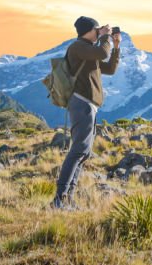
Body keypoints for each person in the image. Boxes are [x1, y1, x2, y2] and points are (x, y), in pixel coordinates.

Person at [52, 16, 121, 209]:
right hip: (81, 103)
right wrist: (105, 37)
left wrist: (115, 46)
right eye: (96, 29)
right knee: (78, 150)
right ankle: (59, 198)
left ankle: (68, 198)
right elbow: (100, 53)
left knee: (84, 152)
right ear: (89, 31)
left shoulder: (89, 51)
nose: (99, 31)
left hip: (89, 105)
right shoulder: (78, 47)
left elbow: (110, 68)